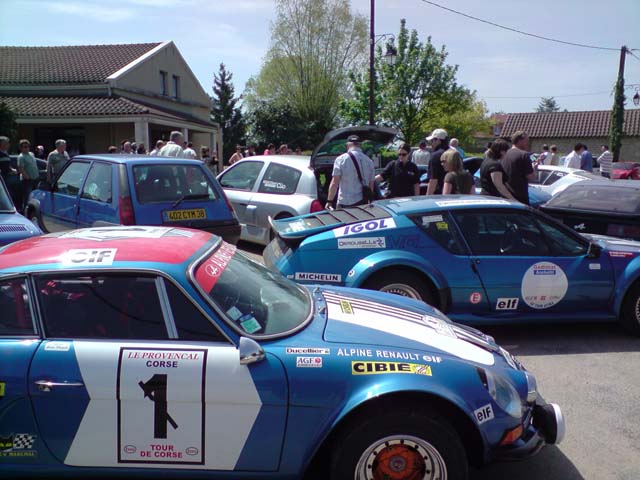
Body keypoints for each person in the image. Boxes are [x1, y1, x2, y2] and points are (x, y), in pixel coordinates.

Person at [325, 135, 374, 209]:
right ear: (360, 145)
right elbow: (371, 184)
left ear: (347, 145)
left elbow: (335, 183)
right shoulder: (369, 161)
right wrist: (370, 201)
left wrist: (329, 201)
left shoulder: (340, 159)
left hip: (345, 202)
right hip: (362, 203)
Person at [501, 131, 535, 205]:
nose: (528, 143)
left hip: (505, 195)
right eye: (526, 140)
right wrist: (534, 168)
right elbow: (531, 177)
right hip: (519, 196)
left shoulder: (504, 154)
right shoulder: (524, 155)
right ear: (520, 140)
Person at [16, 139, 39, 210]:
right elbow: (21, 168)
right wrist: (27, 177)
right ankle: (25, 211)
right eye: (25, 147)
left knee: (34, 197)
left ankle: (33, 211)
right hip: (27, 180)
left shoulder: (31, 154)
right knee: (27, 197)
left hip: (35, 179)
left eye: (28, 146)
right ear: (21, 148)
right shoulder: (21, 157)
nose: (27, 148)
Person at [426, 128, 449, 195]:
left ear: (438, 140)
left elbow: (433, 180)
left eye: (432, 140)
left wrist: (428, 197)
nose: (431, 143)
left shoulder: (435, 156)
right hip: (457, 195)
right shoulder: (455, 154)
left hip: (440, 195)